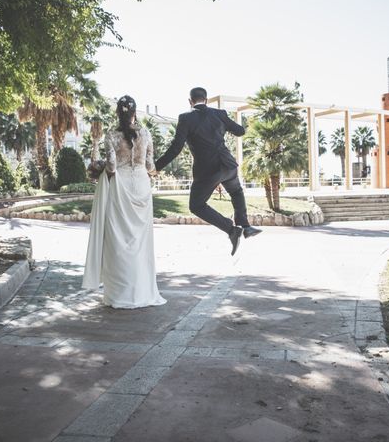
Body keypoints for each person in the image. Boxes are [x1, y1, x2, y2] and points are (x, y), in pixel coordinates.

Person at [155, 87, 261, 255]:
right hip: (228, 165)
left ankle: (232, 230)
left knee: (196, 205)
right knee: (236, 190)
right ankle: (246, 226)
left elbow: (176, 148)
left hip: (208, 170)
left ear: (190, 101)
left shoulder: (186, 118)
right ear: (206, 99)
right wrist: (223, 125)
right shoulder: (219, 114)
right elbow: (240, 131)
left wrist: (157, 167)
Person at [82, 95, 166, 309]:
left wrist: (99, 169)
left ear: (118, 113)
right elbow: (149, 165)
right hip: (141, 184)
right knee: (141, 242)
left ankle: (120, 294)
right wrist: (153, 172)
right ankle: (142, 291)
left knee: (118, 240)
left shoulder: (112, 135)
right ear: (134, 112)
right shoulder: (146, 133)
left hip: (121, 187)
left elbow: (111, 166)